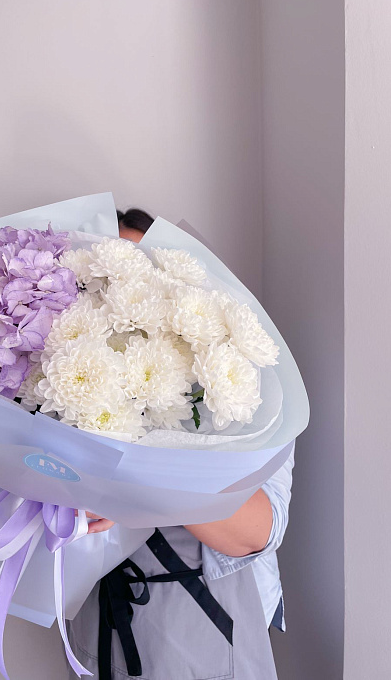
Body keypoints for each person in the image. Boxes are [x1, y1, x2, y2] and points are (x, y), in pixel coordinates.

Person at [66, 208, 295, 680]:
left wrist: (140, 467)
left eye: (142, 275)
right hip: (100, 621)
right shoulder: (69, 386)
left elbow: (256, 532)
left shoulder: (245, 389)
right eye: (106, 282)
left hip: (204, 621)